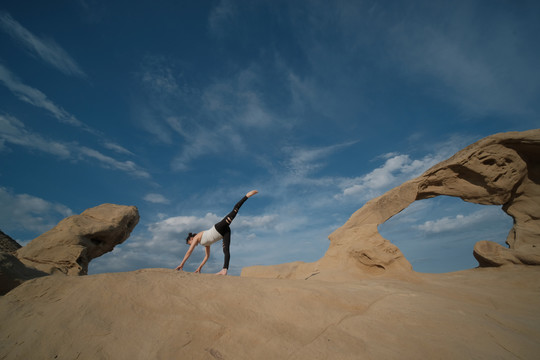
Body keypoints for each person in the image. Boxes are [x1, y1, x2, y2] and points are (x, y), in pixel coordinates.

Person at [175, 190, 258, 275]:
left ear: (191, 238)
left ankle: (246, 196)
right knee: (226, 250)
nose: (191, 244)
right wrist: (200, 267)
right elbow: (207, 256)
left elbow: (189, 251)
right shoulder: (204, 243)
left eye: (190, 243)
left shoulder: (197, 237)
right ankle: (224, 269)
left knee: (234, 211)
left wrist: (181, 264)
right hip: (224, 232)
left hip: (218, 228)